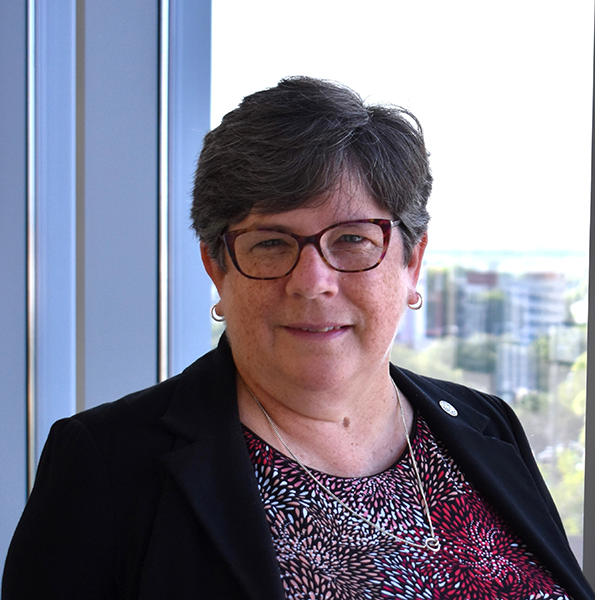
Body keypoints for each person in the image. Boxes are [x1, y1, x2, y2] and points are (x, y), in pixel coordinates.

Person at [2, 76, 593, 600]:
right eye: (271, 243)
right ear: (217, 266)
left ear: (412, 263)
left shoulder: (486, 423)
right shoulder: (107, 465)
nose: (312, 282)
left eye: (354, 240)